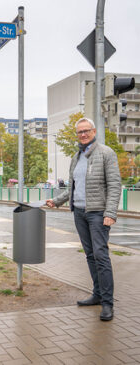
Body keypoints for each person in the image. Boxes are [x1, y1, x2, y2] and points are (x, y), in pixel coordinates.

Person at [46, 117, 121, 321]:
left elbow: (115, 185)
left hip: (98, 213)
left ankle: (107, 302)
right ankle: (97, 294)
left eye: (86, 131)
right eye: (80, 132)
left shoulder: (106, 153)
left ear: (94, 131)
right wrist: (57, 201)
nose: (83, 134)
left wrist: (110, 213)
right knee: (89, 255)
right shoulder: (76, 156)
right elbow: (73, 187)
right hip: (79, 213)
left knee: (101, 256)